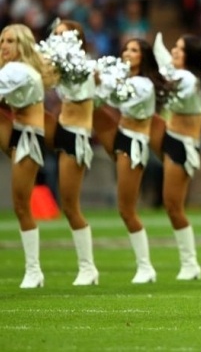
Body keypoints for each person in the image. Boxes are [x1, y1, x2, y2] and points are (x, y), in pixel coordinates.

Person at [94, 38, 173, 284]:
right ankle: (142, 266)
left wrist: (99, 81)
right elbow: (98, 100)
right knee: (125, 209)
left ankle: (146, 266)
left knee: (127, 209)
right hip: (121, 136)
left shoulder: (144, 84)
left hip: (134, 142)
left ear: (144, 57)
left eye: (135, 50)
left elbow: (119, 98)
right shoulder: (124, 78)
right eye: (126, 48)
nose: (128, 52)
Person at [154, 33, 201, 281]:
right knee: (172, 206)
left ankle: (190, 263)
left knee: (174, 206)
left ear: (190, 55)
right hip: (173, 139)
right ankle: (189, 263)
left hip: (182, 145)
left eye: (180, 49)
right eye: (175, 47)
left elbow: (165, 86)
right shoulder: (184, 77)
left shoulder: (186, 78)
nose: (174, 51)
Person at [0, 24, 57, 288]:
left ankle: (34, 270)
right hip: (22, 132)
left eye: (10, 41)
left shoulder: (17, 70)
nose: (4, 46)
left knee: (22, 205)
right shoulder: (17, 69)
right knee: (21, 205)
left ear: (22, 44)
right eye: (1, 41)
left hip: (27, 137)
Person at [50, 20, 99, 286]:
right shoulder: (60, 64)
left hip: (76, 136)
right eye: (55, 34)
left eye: (63, 34)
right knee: (65, 204)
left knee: (70, 206)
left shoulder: (85, 68)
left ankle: (88, 267)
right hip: (61, 128)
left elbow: (81, 92)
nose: (58, 38)